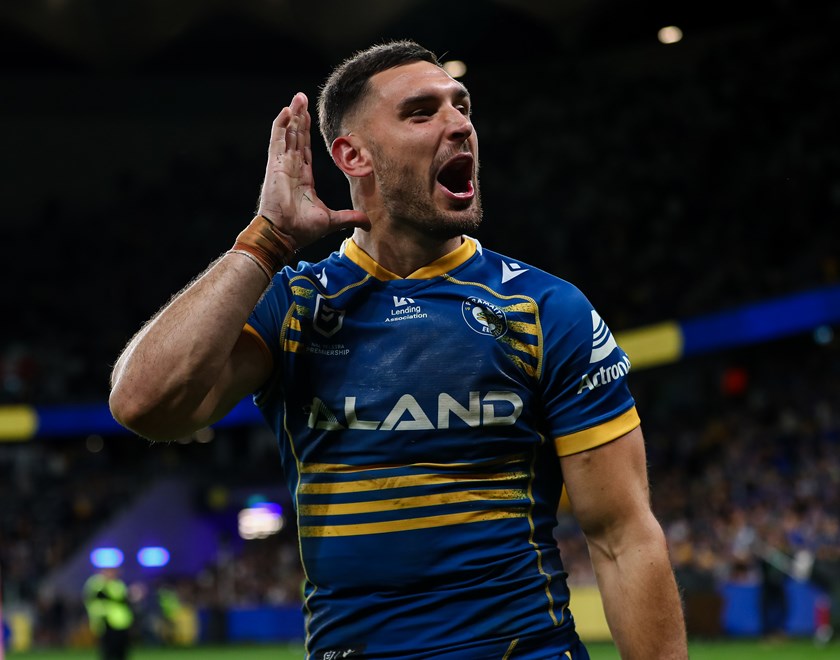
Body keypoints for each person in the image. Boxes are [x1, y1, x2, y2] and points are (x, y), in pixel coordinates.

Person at [109, 40, 688, 659]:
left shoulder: (547, 310)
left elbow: (624, 537)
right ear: (352, 155)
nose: (460, 125)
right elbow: (145, 404)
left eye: (461, 106)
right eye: (421, 112)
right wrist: (265, 240)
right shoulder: (293, 307)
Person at [82, 567, 134, 660]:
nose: (112, 574)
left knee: (122, 650)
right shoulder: (98, 585)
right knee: (108, 650)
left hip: (122, 622)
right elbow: (94, 601)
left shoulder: (118, 584)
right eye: (109, 571)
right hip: (107, 621)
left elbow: (124, 600)